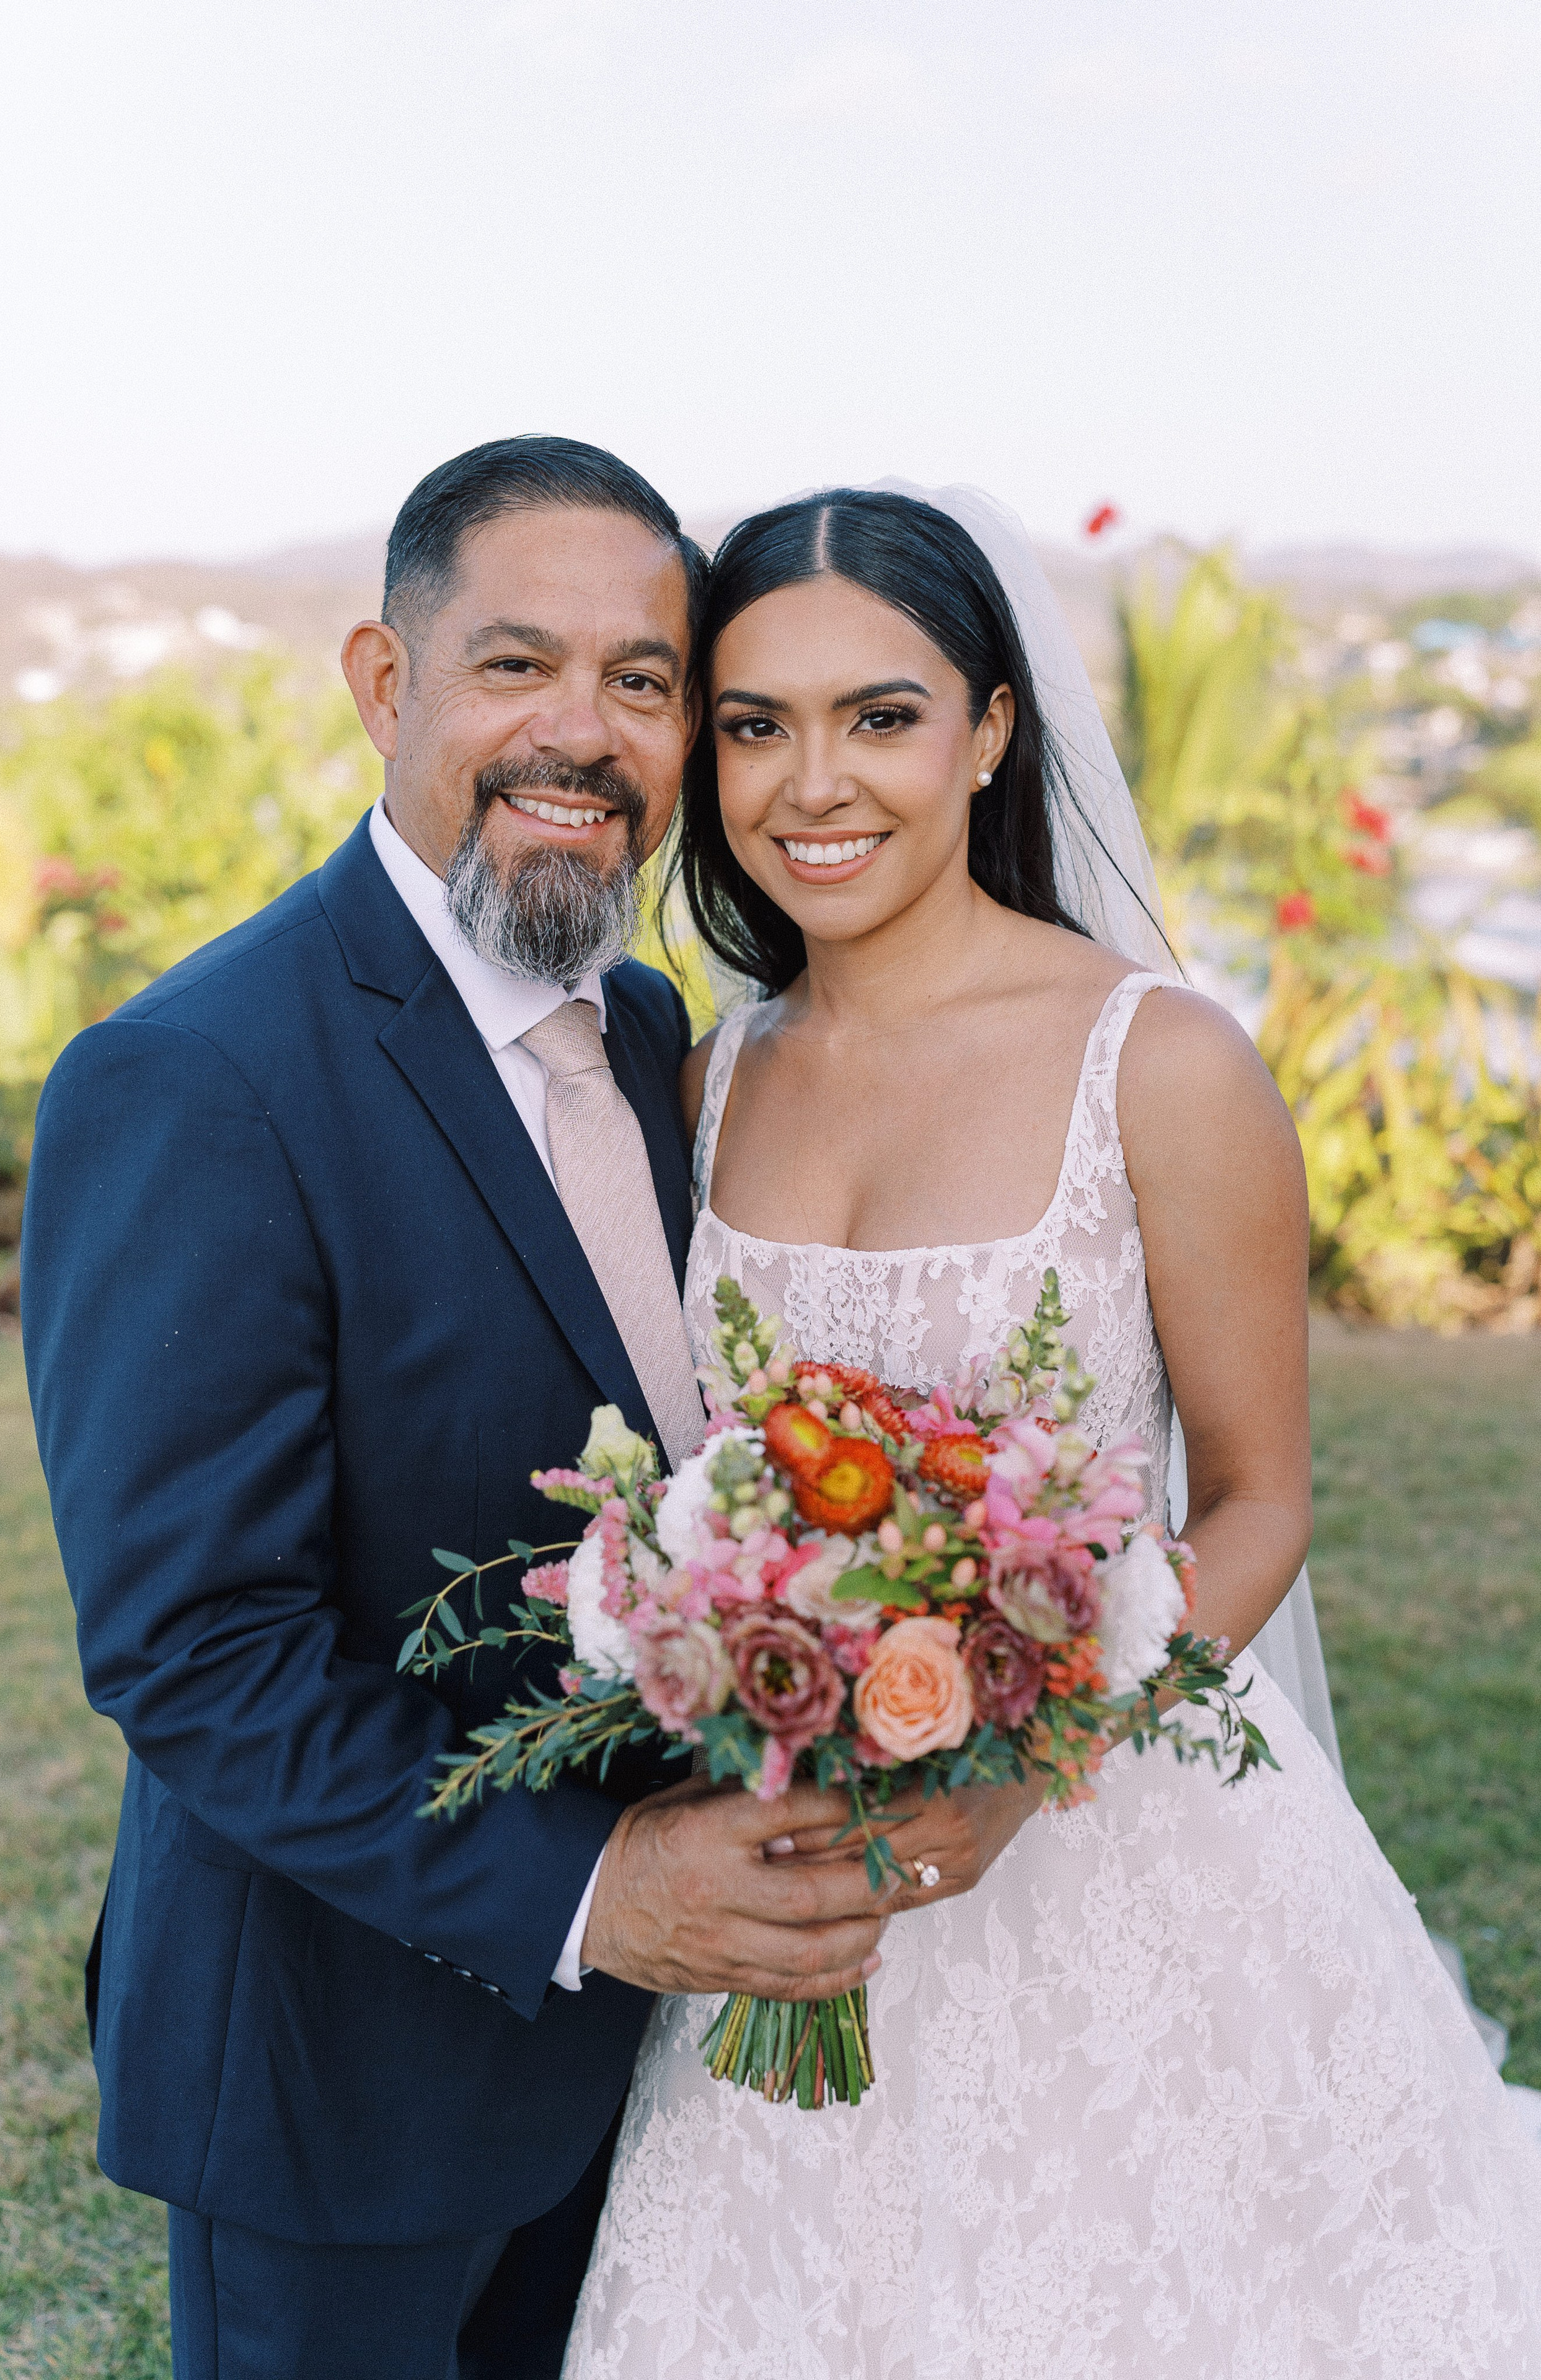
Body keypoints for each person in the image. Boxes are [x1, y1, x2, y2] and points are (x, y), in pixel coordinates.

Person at [563, 486, 1541, 2376]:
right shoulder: (714, 1073)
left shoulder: (1158, 1062)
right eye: (754, 724)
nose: (808, 785)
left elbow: (1257, 1505)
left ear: (993, 727)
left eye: (883, 715)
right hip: (794, 1875)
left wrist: (1031, 1755)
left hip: (1122, 1850)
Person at [20, 436, 894, 2380]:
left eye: (644, 682)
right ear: (382, 683)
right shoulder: (197, 1079)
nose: (579, 732)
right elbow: (193, 1654)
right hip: (350, 2084)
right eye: (516, 666)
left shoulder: (651, 1028)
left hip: (644, 2076)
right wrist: (596, 1892)